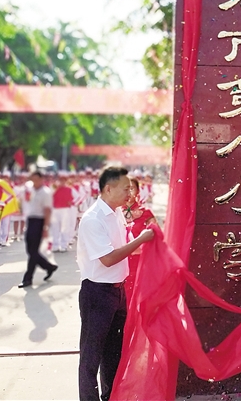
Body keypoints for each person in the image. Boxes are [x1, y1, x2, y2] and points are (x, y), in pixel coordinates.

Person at [76, 166, 154, 401]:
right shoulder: (93, 219)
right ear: (108, 189)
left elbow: (129, 245)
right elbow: (108, 258)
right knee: (91, 356)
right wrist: (141, 239)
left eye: (131, 188)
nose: (129, 193)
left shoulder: (117, 213)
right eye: (125, 189)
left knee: (113, 353)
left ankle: (110, 397)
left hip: (117, 292)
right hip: (97, 292)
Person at [19, 171, 57, 288]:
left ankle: (27, 278)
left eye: (36, 179)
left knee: (34, 250)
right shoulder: (30, 190)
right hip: (31, 220)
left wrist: (45, 227)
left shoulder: (46, 192)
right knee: (30, 249)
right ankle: (49, 267)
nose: (34, 182)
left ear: (41, 179)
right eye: (32, 179)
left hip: (39, 221)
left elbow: (47, 211)